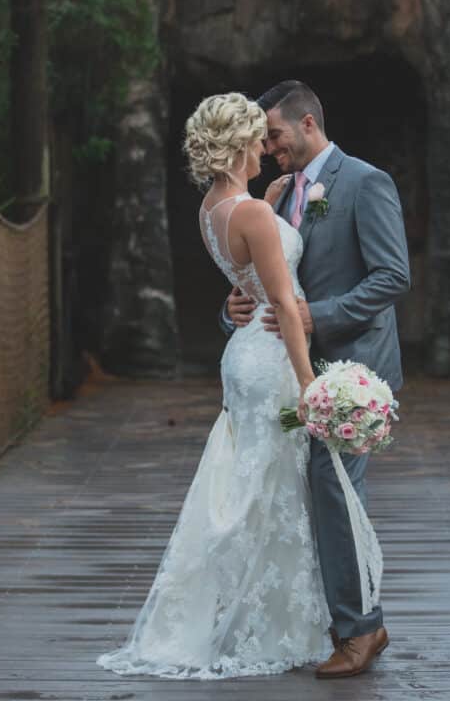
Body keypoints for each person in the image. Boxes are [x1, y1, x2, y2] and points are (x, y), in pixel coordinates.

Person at [96, 92, 333, 680]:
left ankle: (232, 607)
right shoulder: (251, 214)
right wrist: (312, 387)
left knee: (246, 481)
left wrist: (271, 203)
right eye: (256, 140)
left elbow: (246, 272)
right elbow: (281, 298)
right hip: (272, 354)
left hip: (242, 355)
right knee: (266, 488)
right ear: (237, 147)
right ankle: (254, 621)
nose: (264, 148)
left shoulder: (214, 207)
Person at [221, 79, 411, 679]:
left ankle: (362, 630)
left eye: (274, 135)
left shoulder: (366, 182)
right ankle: (338, 622)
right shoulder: (274, 198)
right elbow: (262, 277)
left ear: (307, 125)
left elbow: (392, 277)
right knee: (303, 492)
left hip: (350, 371)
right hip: (289, 378)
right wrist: (233, 309)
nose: (268, 146)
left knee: (333, 490)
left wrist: (316, 315)